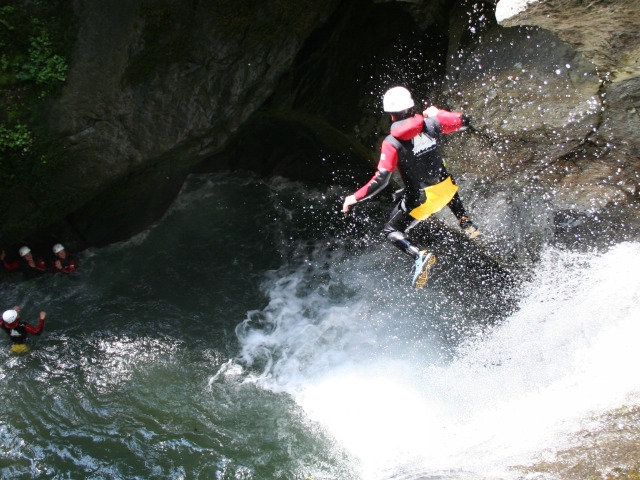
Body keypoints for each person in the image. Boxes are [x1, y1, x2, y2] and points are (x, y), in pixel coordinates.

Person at [342, 86, 479, 288]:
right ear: (411, 105)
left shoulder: (392, 142)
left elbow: (382, 179)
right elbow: (464, 121)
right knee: (441, 177)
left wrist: (354, 197)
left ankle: (419, 255)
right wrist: (438, 113)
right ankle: (465, 221)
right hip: (448, 190)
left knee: (391, 230)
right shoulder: (433, 122)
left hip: (423, 199)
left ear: (390, 115)